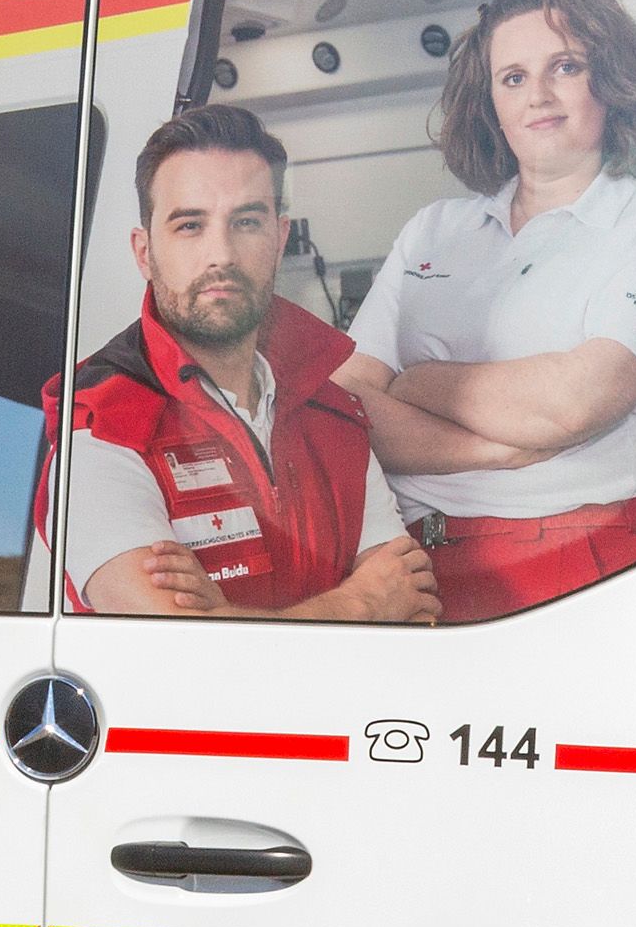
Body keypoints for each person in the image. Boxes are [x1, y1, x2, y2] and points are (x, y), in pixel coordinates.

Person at [340, 0, 636, 623]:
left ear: (611, 80)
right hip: (417, 567)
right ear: (491, 104)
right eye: (513, 77)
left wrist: (417, 381)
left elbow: (574, 402)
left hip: (587, 558)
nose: (538, 95)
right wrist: (500, 447)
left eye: (565, 67)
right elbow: (345, 407)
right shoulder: (433, 230)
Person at [44, 101, 439, 621]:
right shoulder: (102, 433)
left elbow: (412, 609)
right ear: (144, 253)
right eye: (190, 225)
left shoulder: (336, 417)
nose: (222, 255)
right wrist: (361, 601)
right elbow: (178, 645)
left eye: (247, 222)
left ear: (279, 239)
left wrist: (229, 617)